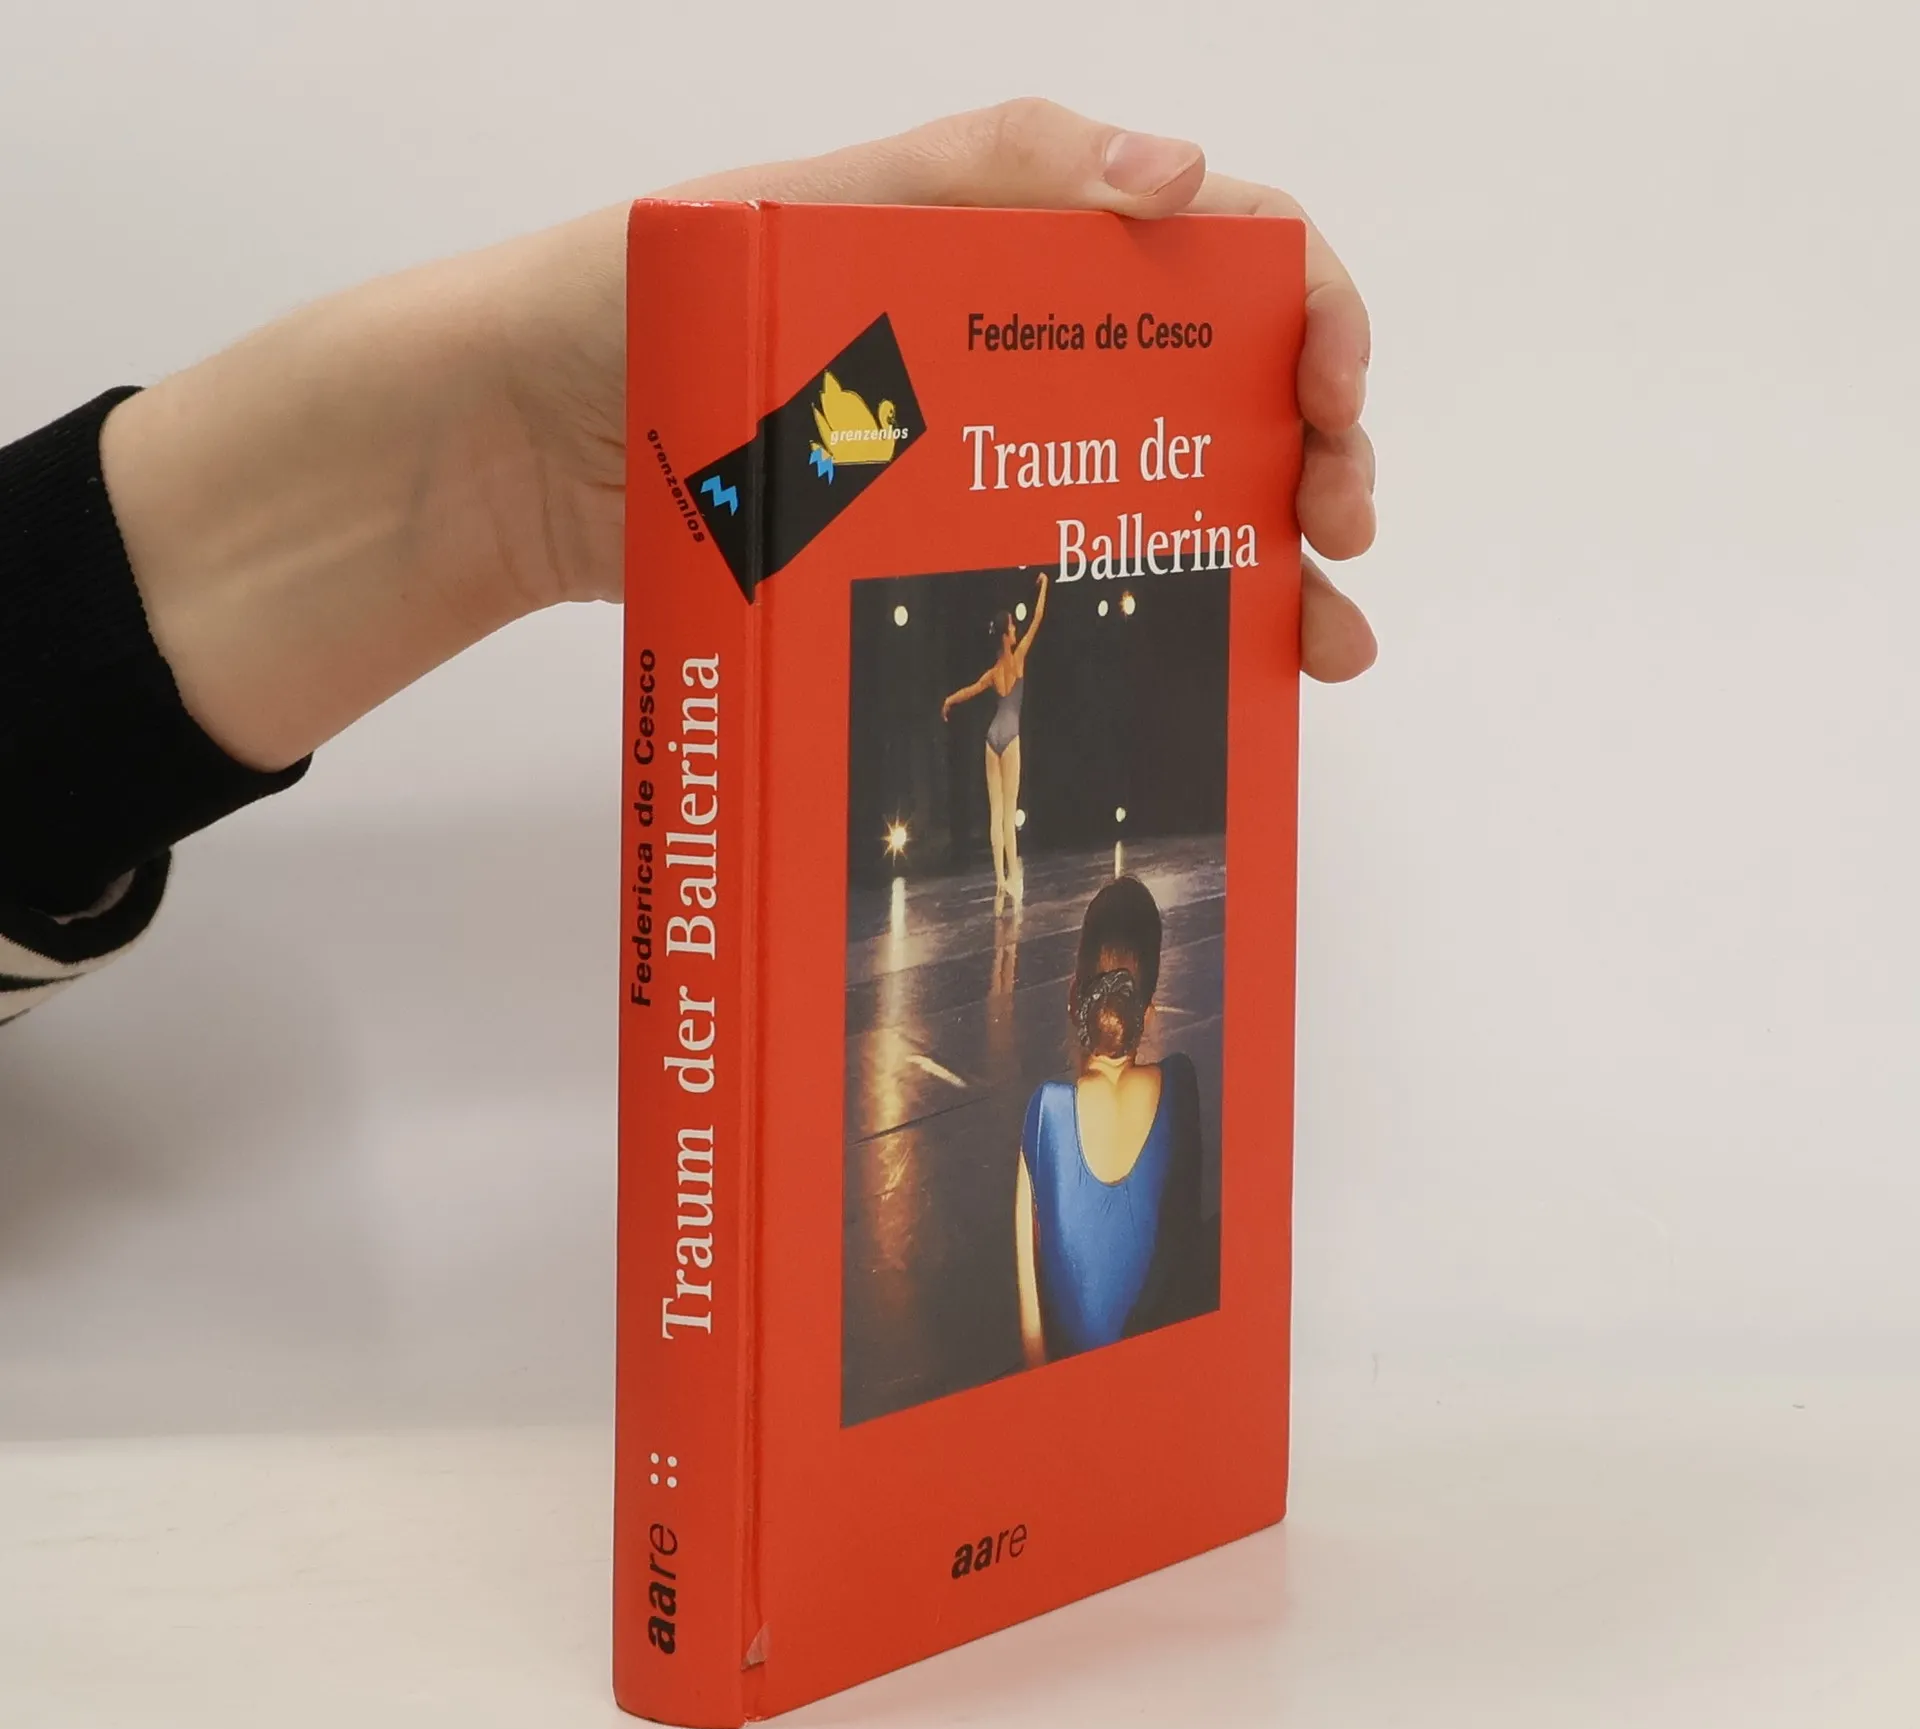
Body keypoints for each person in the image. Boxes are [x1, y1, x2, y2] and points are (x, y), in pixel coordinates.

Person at [0, 98, 1378, 1031]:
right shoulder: (998, 664)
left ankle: (1017, 882)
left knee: (1005, 801)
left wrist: (514, 454)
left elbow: (1007, 613)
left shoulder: (1000, 626)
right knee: (1004, 820)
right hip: (978, 712)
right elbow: (986, 665)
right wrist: (512, 453)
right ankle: (1015, 885)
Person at [1014, 875, 1212, 1366]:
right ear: (1148, 1010)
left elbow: (1033, 1339)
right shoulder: (1180, 1087)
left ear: (1073, 995)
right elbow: (1187, 1266)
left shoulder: (1046, 1116)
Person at [942, 570, 1050, 907]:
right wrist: (1045, 585)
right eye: (1013, 628)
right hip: (1011, 736)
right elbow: (1038, 617)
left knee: (995, 813)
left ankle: (1000, 882)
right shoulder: (1018, 660)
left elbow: (971, 690)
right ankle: (1013, 878)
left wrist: (949, 700)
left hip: (992, 738)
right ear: (1006, 634)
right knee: (1008, 812)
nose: (1017, 631)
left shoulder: (993, 672)